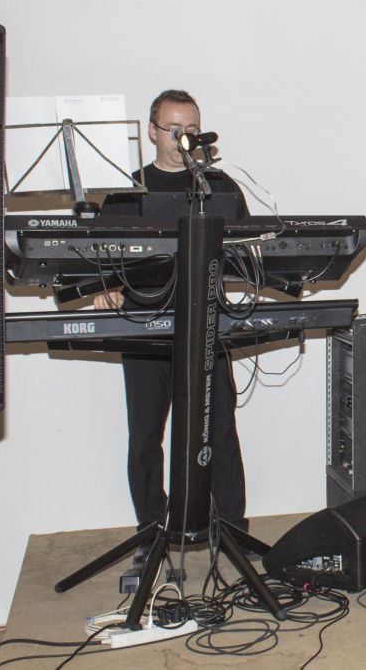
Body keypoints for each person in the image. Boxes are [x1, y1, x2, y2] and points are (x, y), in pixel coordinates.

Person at [96, 89, 249, 544]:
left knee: (220, 431)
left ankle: (231, 529)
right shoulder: (127, 191)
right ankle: (152, 530)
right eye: (174, 129)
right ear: (152, 131)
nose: (183, 138)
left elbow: (249, 248)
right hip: (144, 329)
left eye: (192, 130)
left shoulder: (219, 188)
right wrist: (106, 285)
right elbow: (97, 256)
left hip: (207, 326)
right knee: (145, 436)